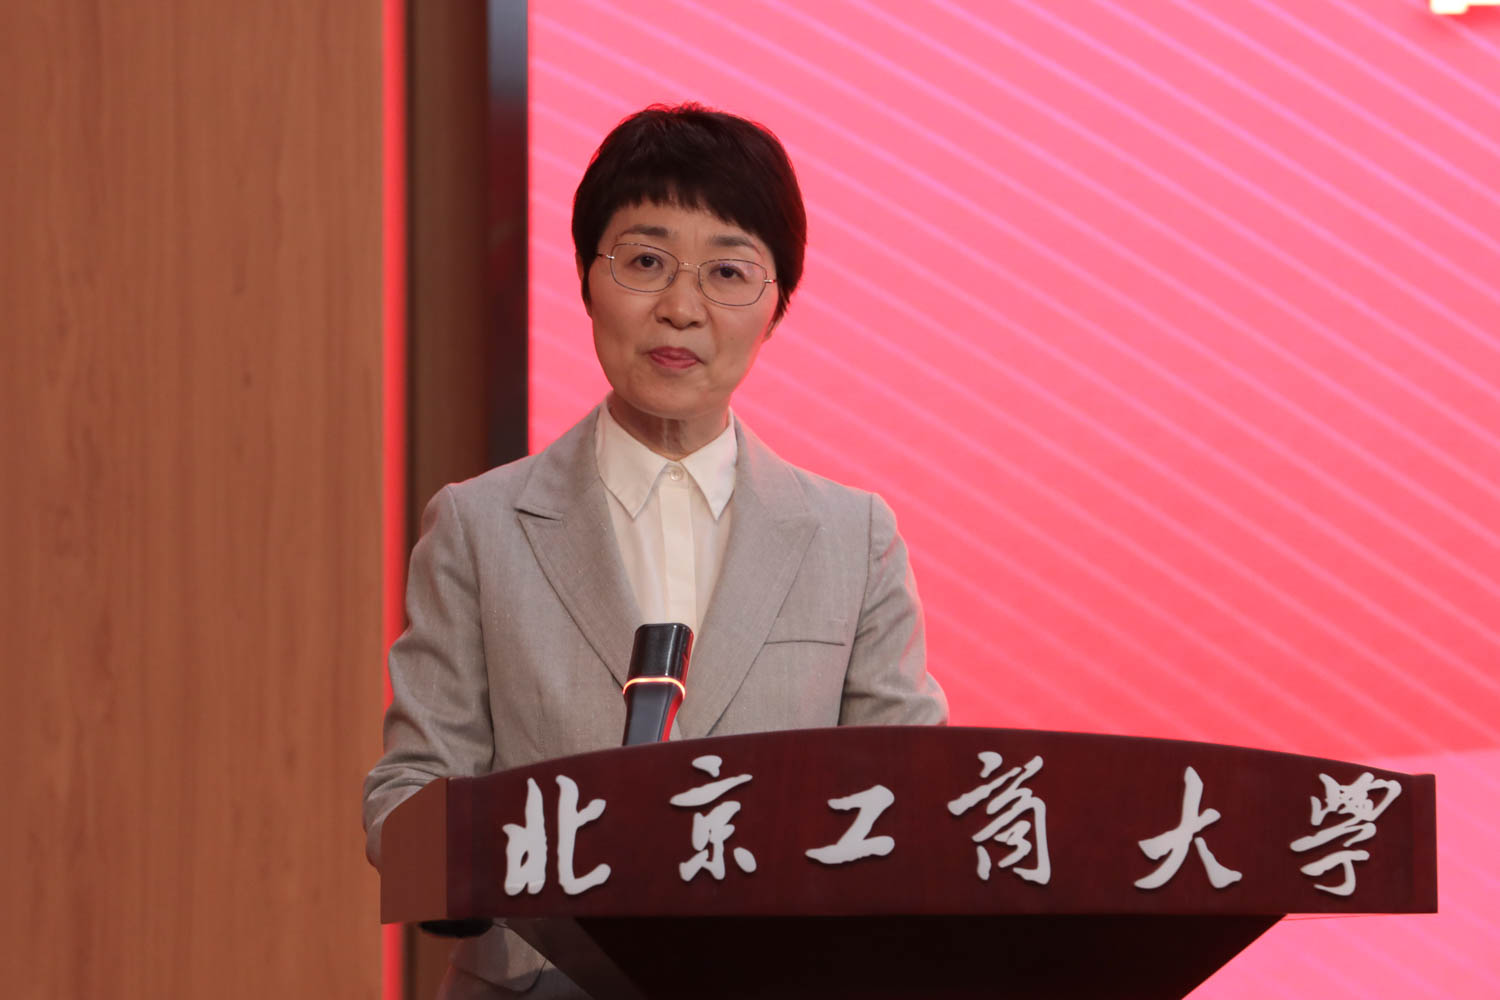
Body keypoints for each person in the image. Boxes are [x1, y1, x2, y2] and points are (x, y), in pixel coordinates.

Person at [363, 103, 948, 999]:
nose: (681, 308)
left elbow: (912, 794)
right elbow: (411, 788)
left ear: (777, 305)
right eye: (644, 262)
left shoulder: (852, 538)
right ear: (586, 279)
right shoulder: (478, 526)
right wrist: (480, 872)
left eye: (728, 273)